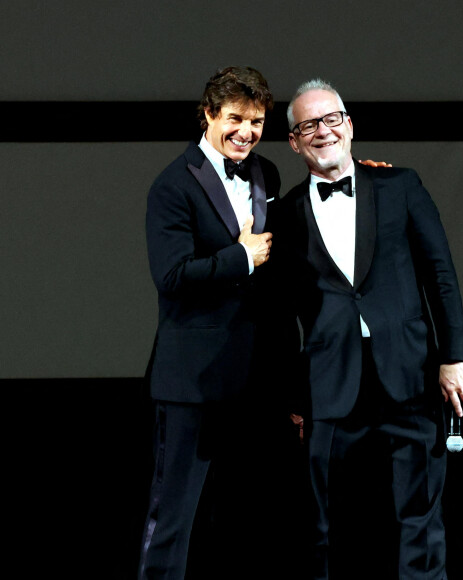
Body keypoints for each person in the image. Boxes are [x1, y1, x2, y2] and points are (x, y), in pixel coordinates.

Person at [279, 79, 463, 579]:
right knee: (324, 529)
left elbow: (441, 275)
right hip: (330, 386)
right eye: (308, 125)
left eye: (331, 119)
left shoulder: (400, 184)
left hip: (409, 375)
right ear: (295, 142)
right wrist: (295, 396)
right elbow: (282, 313)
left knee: (420, 523)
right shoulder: (284, 214)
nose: (323, 131)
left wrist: (454, 357)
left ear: (349, 124)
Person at [138, 66, 288, 580]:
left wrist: (365, 174)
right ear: (207, 114)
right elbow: (172, 276)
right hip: (192, 382)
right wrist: (240, 258)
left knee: (244, 518)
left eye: (256, 121)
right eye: (235, 119)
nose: (246, 132)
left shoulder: (266, 172)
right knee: (174, 516)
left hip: (252, 380)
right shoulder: (172, 185)